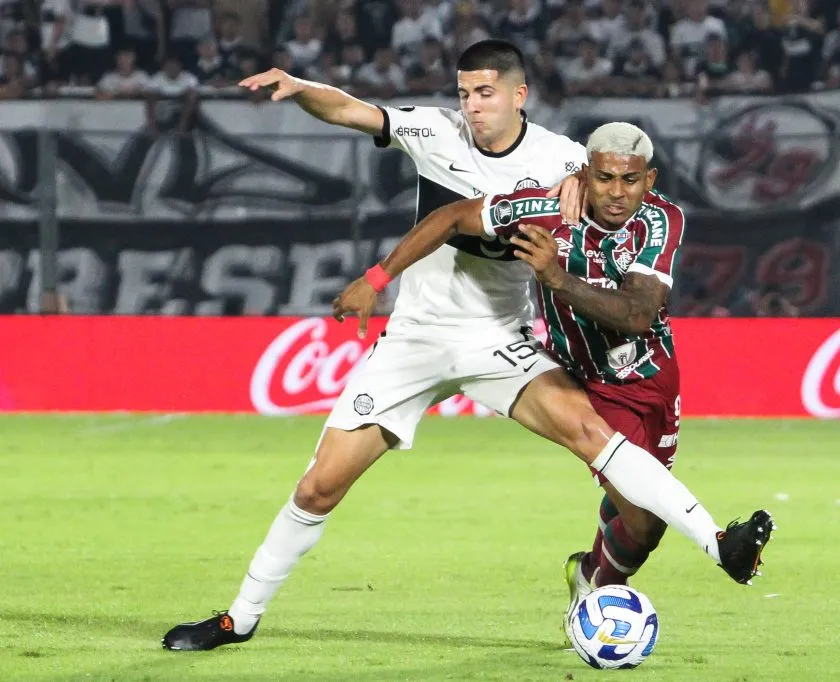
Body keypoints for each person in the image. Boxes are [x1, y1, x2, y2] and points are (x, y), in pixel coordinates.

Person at [161, 41, 768, 653]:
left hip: (498, 338)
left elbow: (609, 208)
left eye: (485, 94)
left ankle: (719, 543)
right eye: (465, 94)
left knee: (590, 433)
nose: (472, 107)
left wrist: (582, 197)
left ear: (517, 95)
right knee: (319, 488)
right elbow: (350, 111)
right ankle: (238, 619)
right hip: (415, 339)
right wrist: (299, 88)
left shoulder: (566, 161)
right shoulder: (433, 128)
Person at [333, 122, 774, 636]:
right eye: (604, 177)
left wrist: (555, 277)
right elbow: (451, 216)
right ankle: (697, 554)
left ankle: (590, 573)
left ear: (648, 180)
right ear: (585, 173)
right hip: (585, 384)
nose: (616, 192)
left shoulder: (662, 221)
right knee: (642, 512)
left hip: (653, 378)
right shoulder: (541, 212)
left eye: (629, 181)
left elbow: (635, 314)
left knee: (642, 523)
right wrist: (378, 278)